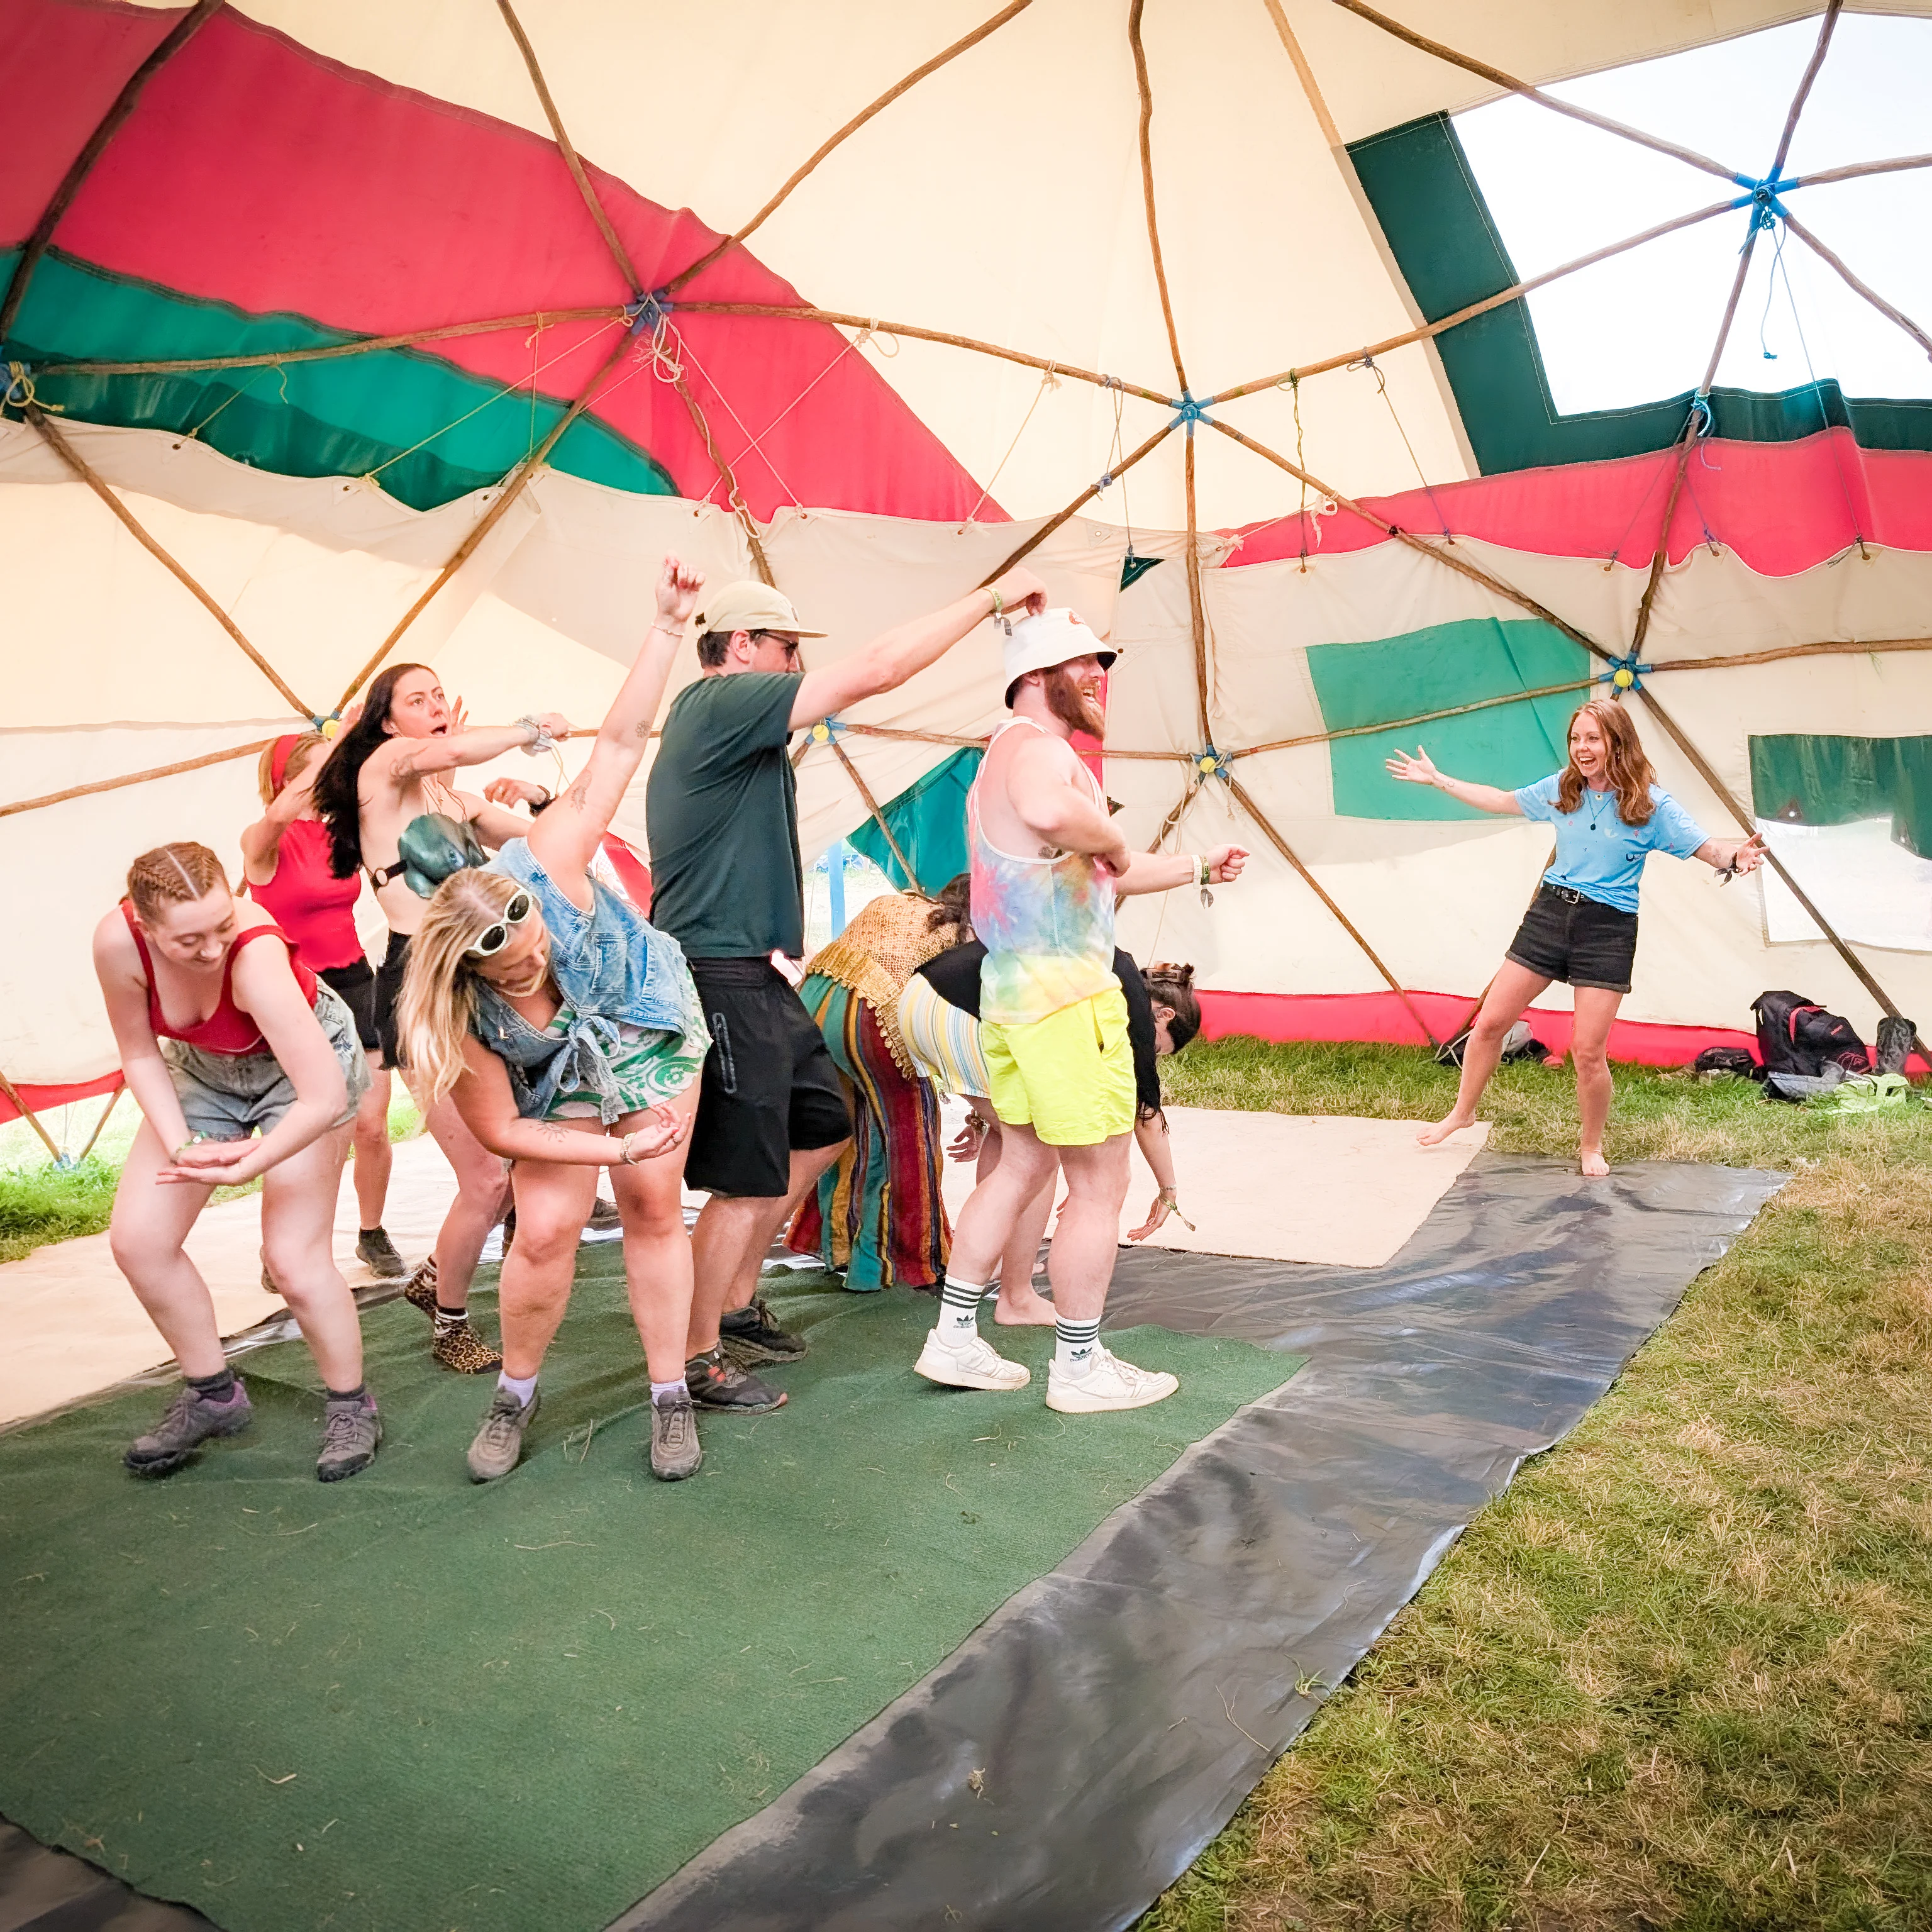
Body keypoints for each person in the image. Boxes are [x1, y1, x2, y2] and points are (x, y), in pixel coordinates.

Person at [644, 564, 1050, 1413]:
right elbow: (878, 668)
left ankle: (731, 1300)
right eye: (787, 648)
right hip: (716, 968)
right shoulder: (721, 701)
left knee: (822, 1125)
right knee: (747, 1174)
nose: (796, 665)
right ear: (743, 647)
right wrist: (991, 595)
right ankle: (695, 1357)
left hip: (755, 969)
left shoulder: (732, 725)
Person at [396, 557, 712, 1483]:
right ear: (467, 966)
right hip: (559, 1075)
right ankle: (514, 1395)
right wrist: (610, 1149)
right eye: (504, 951)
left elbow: (616, 748)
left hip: (645, 1024)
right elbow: (499, 1127)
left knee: (657, 1206)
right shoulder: (462, 1011)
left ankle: (670, 1396)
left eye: (525, 925)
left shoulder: (548, 860)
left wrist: (663, 628)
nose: (529, 950)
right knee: (543, 1227)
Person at [914, 609, 1247, 1411]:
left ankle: (953, 1340)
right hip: (1067, 1003)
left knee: (1023, 1162)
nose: (1099, 674)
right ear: (1035, 676)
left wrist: (1193, 864)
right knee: (1101, 1186)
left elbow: (1089, 874)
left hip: (1015, 996)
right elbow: (1059, 817)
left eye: (1103, 660)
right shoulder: (1038, 753)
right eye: (1083, 662)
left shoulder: (1003, 753)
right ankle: (1079, 1367)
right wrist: (1113, 837)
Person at [92, 842, 379, 1481]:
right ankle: (213, 1394)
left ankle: (352, 1404)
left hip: (302, 1072)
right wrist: (181, 1146)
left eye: (224, 924)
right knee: (139, 1241)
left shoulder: (256, 959)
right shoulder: (117, 944)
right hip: (203, 1071)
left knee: (293, 1260)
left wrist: (254, 1162)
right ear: (145, 926)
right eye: (189, 940)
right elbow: (138, 1053)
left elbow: (323, 1095)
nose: (213, 948)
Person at [314, 665, 573, 1373]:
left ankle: (436, 1279)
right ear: (389, 721)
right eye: (416, 699)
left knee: (514, 1165)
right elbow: (449, 751)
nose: (433, 706)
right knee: (487, 1177)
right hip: (422, 988)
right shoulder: (382, 769)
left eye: (439, 695)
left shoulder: (453, 802)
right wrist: (532, 729)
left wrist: (541, 789)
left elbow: (549, 842)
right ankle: (447, 1316)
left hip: (481, 979)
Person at [1386, 697, 1765, 1175]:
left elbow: (1706, 847)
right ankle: (1463, 1113)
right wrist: (1440, 780)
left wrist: (1735, 858)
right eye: (1575, 739)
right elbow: (1503, 800)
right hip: (1550, 914)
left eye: (1592, 738)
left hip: (1606, 929)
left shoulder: (1649, 804)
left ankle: (1590, 1146)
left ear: (1616, 742)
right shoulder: (1564, 789)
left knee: (1587, 1052)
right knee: (1488, 1025)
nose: (1581, 749)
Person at [903, 874, 1204, 1318]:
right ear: (1162, 1014)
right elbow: (1146, 1112)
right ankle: (1016, 1295)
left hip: (923, 999)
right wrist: (1168, 1188)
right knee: (1037, 1154)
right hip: (967, 1010)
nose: (1152, 1056)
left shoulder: (1100, 961)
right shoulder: (1126, 997)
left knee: (1010, 1141)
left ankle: (987, 1273)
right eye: (1159, 1046)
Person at [242, 731, 402, 1279]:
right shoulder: (263, 842)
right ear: (286, 779)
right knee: (302, 1133)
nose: (331, 776)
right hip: (295, 995)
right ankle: (280, 1248)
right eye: (317, 769)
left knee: (372, 1125)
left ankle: (371, 1233)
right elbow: (272, 820)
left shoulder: (338, 833)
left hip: (356, 981)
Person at [786, 886, 968, 1292]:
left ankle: (837, 1245)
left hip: (814, 1000)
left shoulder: (898, 902)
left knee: (839, 1132)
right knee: (906, 1137)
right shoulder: (959, 932)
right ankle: (890, 1264)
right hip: (872, 1013)